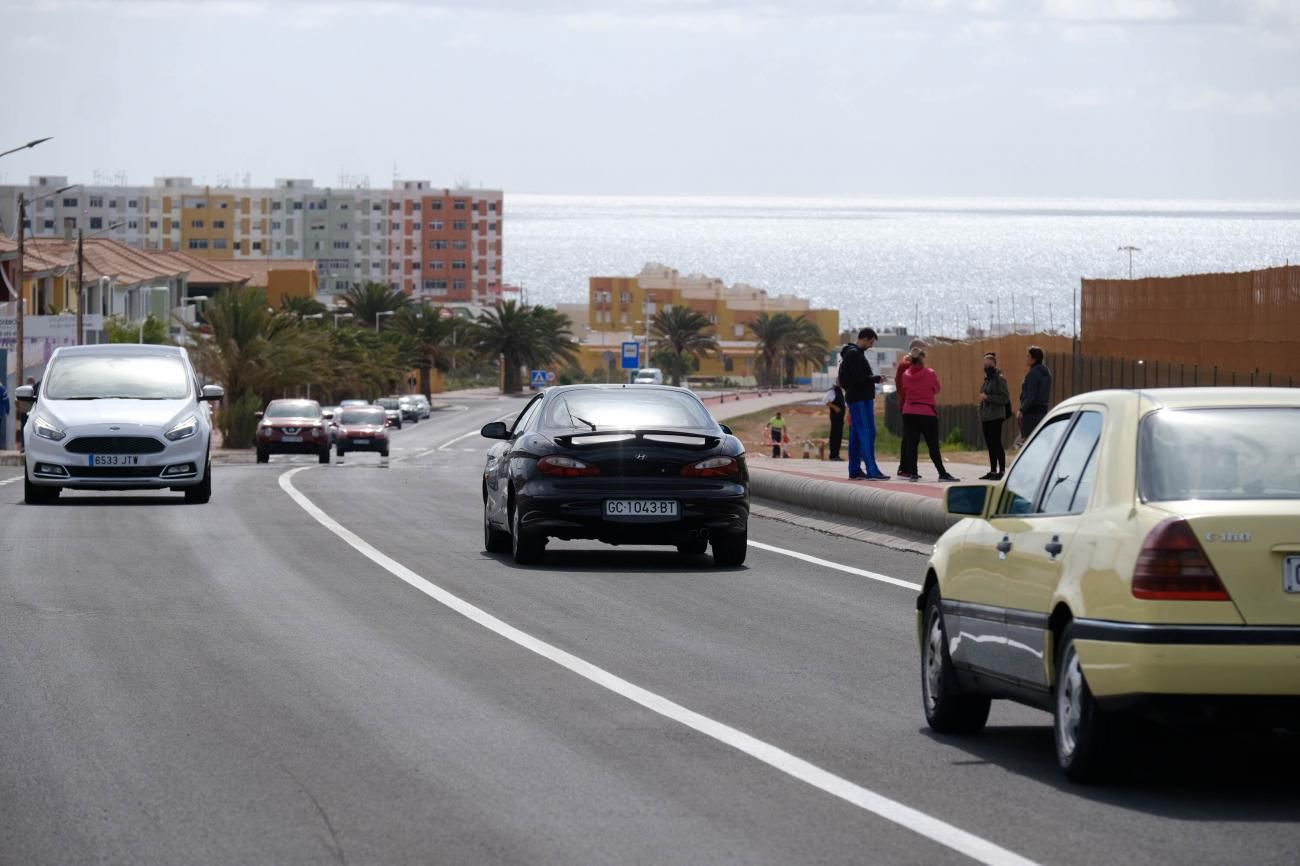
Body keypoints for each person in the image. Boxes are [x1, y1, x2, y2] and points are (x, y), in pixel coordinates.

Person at [900, 348, 959, 482]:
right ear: (922, 359)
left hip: (909, 411)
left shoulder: (905, 375)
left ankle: (913, 473)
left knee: (911, 444)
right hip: (926, 412)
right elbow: (936, 389)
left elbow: (904, 389)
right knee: (932, 445)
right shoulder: (929, 373)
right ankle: (942, 473)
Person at [838, 327, 889, 480]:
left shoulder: (853, 353)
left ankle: (854, 469)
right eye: (871, 342)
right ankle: (872, 469)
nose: (871, 346)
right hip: (860, 399)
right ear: (865, 339)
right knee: (867, 432)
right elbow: (859, 379)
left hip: (858, 398)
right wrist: (876, 379)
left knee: (856, 434)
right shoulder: (854, 354)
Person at [893, 338, 928, 478]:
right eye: (922, 350)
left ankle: (906, 467)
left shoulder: (905, 363)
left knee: (909, 437)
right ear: (915, 350)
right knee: (909, 438)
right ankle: (905, 468)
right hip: (910, 404)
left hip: (909, 404)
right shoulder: (907, 364)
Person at [978, 352, 1012, 480]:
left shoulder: (1000, 379)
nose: (987, 367)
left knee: (996, 443)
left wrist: (988, 397)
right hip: (986, 416)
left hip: (996, 416)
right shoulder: (987, 380)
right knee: (990, 444)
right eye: (985, 365)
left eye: (989, 364)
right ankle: (992, 470)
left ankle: (1002, 471)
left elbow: (1004, 398)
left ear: (995, 365)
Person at [1017, 345, 1053, 441]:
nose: (1026, 358)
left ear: (1034, 359)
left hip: (1031, 413)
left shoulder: (1032, 374)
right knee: (1040, 440)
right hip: (1042, 411)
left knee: (1028, 442)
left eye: (1028, 356)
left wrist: (1021, 409)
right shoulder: (1047, 373)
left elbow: (1030, 395)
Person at [821, 382, 846, 460]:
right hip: (835, 417)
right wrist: (835, 407)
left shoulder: (840, 390)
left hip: (840, 417)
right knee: (834, 435)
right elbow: (825, 400)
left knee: (838, 436)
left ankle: (836, 455)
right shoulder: (833, 391)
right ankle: (833, 455)